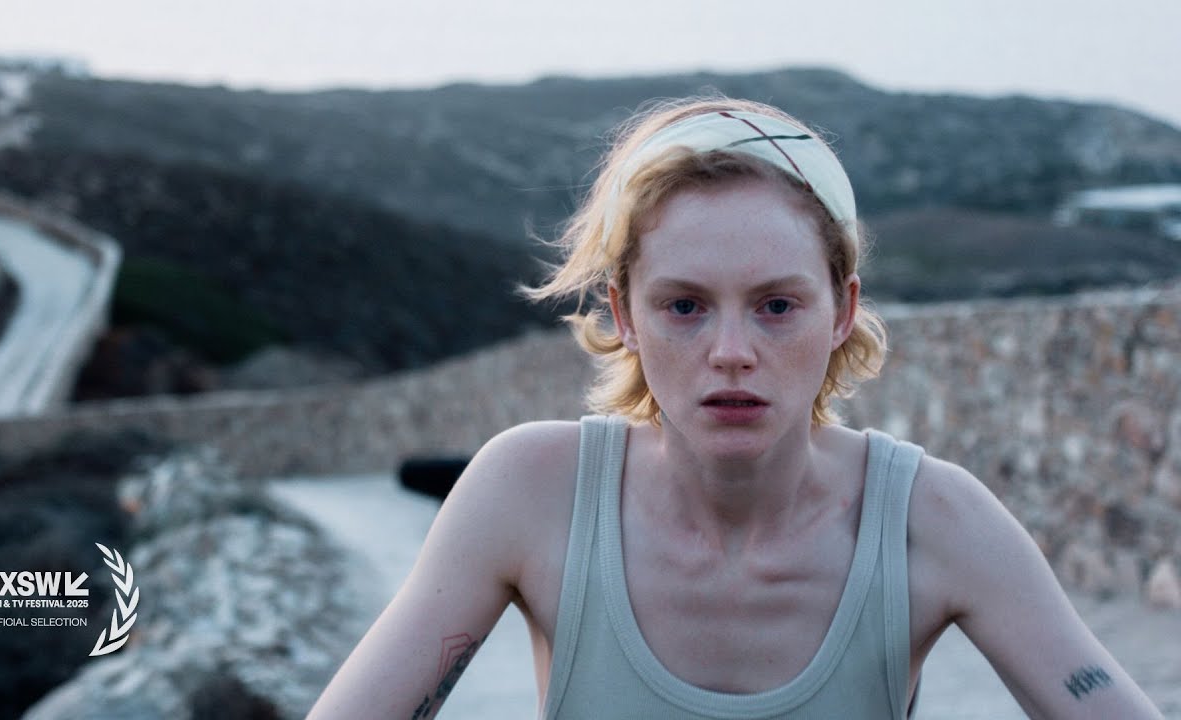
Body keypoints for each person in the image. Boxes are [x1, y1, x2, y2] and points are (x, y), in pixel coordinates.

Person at [306, 96, 1163, 719]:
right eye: (683, 305)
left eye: (777, 304)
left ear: (844, 311)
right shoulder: (529, 494)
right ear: (623, 313)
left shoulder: (931, 522)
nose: (731, 352)